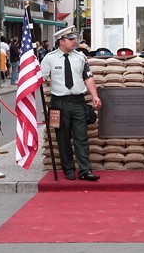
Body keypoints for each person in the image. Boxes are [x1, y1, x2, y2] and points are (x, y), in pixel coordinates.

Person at [40, 26, 101, 181]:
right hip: (59, 103)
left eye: (75, 39)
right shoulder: (50, 58)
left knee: (81, 137)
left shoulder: (80, 57)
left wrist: (94, 96)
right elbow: (42, 78)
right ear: (61, 41)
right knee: (63, 138)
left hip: (77, 102)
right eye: (71, 39)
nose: (75, 42)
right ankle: (68, 169)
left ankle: (85, 170)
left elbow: (88, 77)